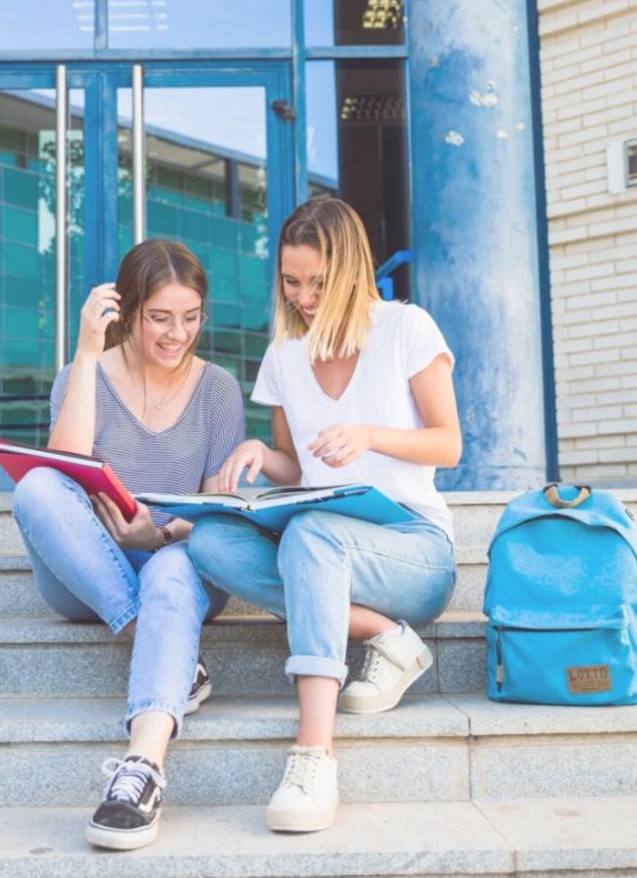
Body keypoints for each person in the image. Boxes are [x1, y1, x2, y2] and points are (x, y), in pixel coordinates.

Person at [187, 197, 461, 834]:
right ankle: (385, 636)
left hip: (413, 548)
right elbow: (295, 465)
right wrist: (261, 453)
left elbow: (448, 444)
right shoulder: (285, 354)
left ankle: (313, 755)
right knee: (211, 541)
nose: (304, 297)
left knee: (311, 535)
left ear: (351, 270)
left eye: (318, 282)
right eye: (291, 282)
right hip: (324, 541)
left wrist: (370, 435)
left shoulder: (406, 327)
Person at [10, 238, 245, 851]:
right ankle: (163, 645)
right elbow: (64, 468)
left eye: (191, 317)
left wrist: (159, 534)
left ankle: (142, 770)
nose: (177, 334)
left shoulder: (218, 389)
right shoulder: (82, 375)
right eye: (160, 318)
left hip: (180, 564)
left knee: (169, 569)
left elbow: (221, 511)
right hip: (91, 572)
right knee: (36, 487)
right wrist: (88, 352)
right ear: (129, 311)